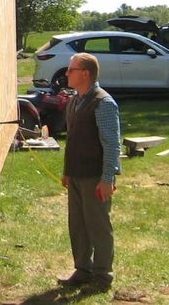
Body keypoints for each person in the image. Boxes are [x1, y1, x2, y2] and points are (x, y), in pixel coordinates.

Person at [58, 52, 121, 293]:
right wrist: (67, 171)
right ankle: (82, 270)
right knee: (78, 224)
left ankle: (102, 276)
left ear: (85, 73)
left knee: (98, 226)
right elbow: (73, 139)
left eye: (71, 69)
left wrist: (107, 179)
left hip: (95, 176)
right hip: (76, 174)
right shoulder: (75, 101)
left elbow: (112, 144)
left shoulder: (103, 102)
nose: (67, 73)